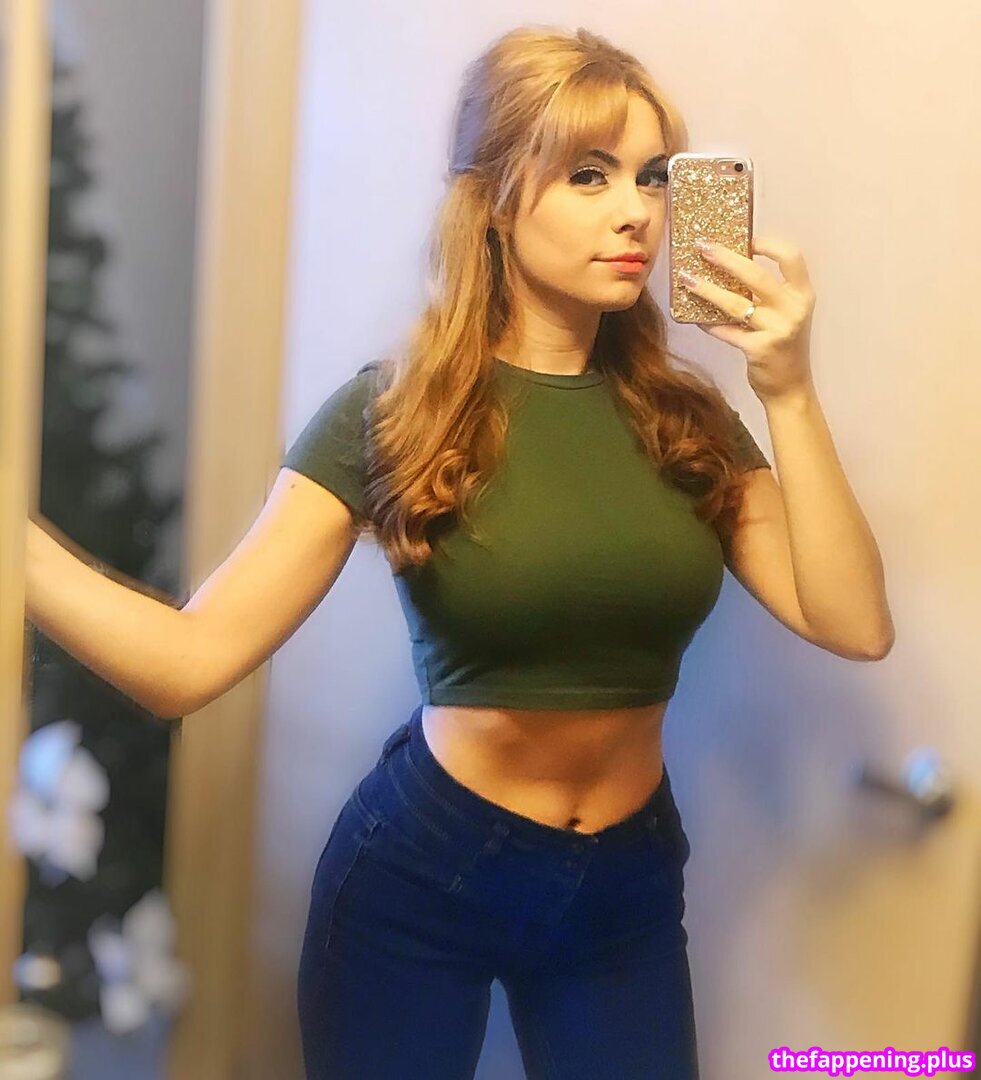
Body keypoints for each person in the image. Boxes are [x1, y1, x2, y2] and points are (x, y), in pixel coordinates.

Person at [24, 23, 894, 1080]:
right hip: (423, 874)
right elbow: (186, 663)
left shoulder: (687, 421)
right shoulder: (392, 413)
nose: (636, 211)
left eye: (653, 176)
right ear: (494, 199)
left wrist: (787, 389)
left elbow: (854, 624)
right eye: (588, 174)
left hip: (623, 885)